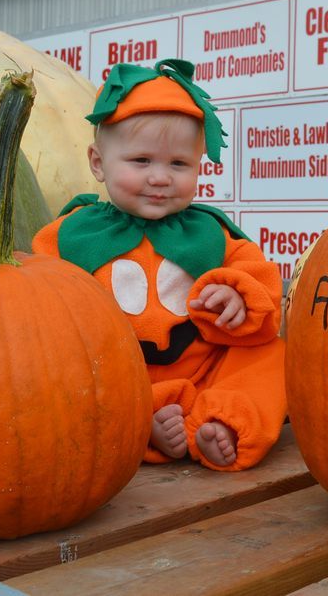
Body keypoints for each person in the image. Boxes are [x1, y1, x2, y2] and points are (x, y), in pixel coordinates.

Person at [32, 59, 286, 471]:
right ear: (98, 163)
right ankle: (139, 427)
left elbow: (259, 278)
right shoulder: (70, 235)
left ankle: (221, 421)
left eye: (178, 164)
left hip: (203, 377)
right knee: (57, 376)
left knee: (271, 354)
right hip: (118, 386)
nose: (160, 177)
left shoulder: (211, 233)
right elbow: (34, 300)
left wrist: (238, 293)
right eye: (141, 161)